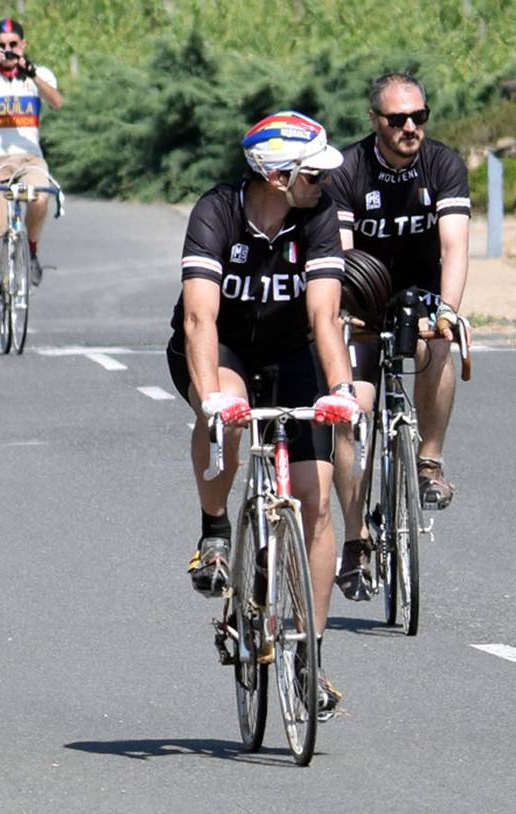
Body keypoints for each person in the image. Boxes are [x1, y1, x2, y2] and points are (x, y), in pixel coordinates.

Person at [167, 111, 356, 717]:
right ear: (276, 176)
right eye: (313, 173)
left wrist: (342, 388)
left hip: (290, 350)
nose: (326, 182)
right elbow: (200, 319)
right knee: (229, 410)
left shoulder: (318, 214)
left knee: (316, 498)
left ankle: (310, 656)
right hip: (219, 348)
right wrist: (211, 398)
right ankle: (216, 528)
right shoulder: (217, 213)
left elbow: (326, 315)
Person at [325, 71, 470, 601]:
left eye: (419, 117)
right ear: (375, 122)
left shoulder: (443, 164)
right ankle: (356, 538)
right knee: (353, 415)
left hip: (420, 299)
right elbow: (338, 256)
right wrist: (345, 313)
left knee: (439, 345)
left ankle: (428, 462)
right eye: (397, 119)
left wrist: (448, 312)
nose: (410, 127)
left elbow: (454, 247)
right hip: (362, 302)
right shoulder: (348, 169)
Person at [0, 17, 62, 334]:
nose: (8, 50)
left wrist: (29, 69)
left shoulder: (38, 74)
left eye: (13, 44)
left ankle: (31, 251)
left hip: (29, 157)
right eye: (2, 45)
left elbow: (57, 102)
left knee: (41, 197)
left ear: (23, 44)